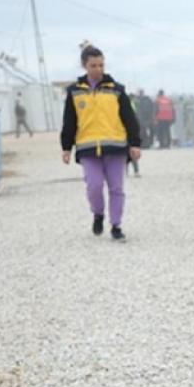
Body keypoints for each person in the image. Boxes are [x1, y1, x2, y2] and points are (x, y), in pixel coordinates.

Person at [60, 44, 142, 241]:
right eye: (93, 65)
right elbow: (69, 121)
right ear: (84, 66)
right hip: (87, 147)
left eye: (101, 65)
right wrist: (66, 147)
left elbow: (129, 118)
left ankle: (116, 225)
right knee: (94, 186)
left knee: (116, 188)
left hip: (116, 147)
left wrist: (135, 143)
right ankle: (98, 214)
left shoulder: (116, 90)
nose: (98, 69)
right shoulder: (74, 91)